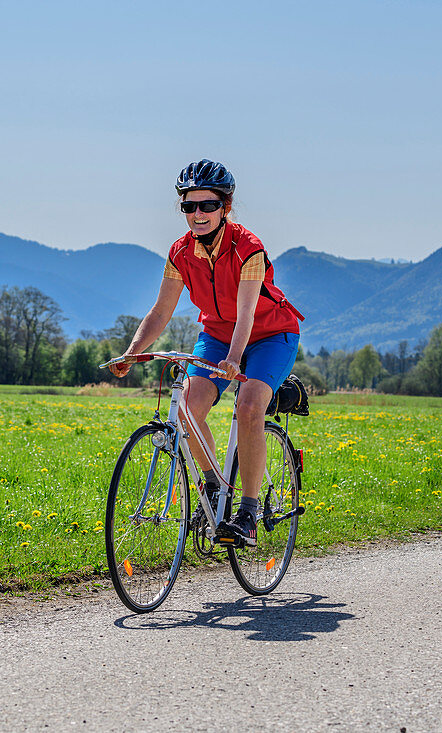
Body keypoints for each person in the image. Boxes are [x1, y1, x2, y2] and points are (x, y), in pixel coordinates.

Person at [109, 159, 303, 547]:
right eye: (189, 206)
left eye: (207, 205)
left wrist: (234, 360)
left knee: (248, 407)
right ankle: (214, 487)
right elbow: (161, 310)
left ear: (225, 207)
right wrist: (130, 353)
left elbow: (246, 312)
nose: (197, 214)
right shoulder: (180, 253)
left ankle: (247, 511)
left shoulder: (248, 248)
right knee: (186, 410)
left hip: (269, 333)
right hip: (216, 334)